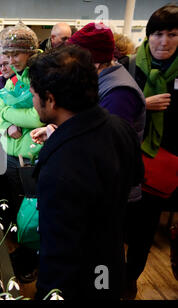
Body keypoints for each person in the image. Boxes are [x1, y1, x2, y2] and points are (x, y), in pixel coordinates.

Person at [29, 45, 144, 300]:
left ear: (51, 99)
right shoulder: (120, 128)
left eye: (34, 94)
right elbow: (135, 178)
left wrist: (48, 293)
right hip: (110, 265)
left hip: (77, 284)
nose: (32, 101)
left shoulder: (62, 163)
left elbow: (58, 250)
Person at [121, 4, 178, 299]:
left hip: (169, 164)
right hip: (131, 160)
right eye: (157, 33)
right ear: (148, 35)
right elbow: (112, 109)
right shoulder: (130, 66)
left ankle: (134, 278)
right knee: (126, 227)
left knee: (148, 229)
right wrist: (144, 103)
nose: (164, 41)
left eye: (172, 34)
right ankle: (120, 279)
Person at [67, 23, 146, 202]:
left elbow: (106, 149)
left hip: (111, 194)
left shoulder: (119, 92)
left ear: (92, 61)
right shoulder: (100, 81)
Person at [0, 23, 44, 282]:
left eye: (17, 54)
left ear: (30, 52)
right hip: (12, 156)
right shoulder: (13, 78)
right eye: (8, 54)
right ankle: (19, 255)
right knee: (15, 206)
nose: (11, 60)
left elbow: (38, 116)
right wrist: (9, 122)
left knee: (31, 213)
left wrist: (9, 115)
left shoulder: (41, 76)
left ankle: (30, 262)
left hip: (31, 158)